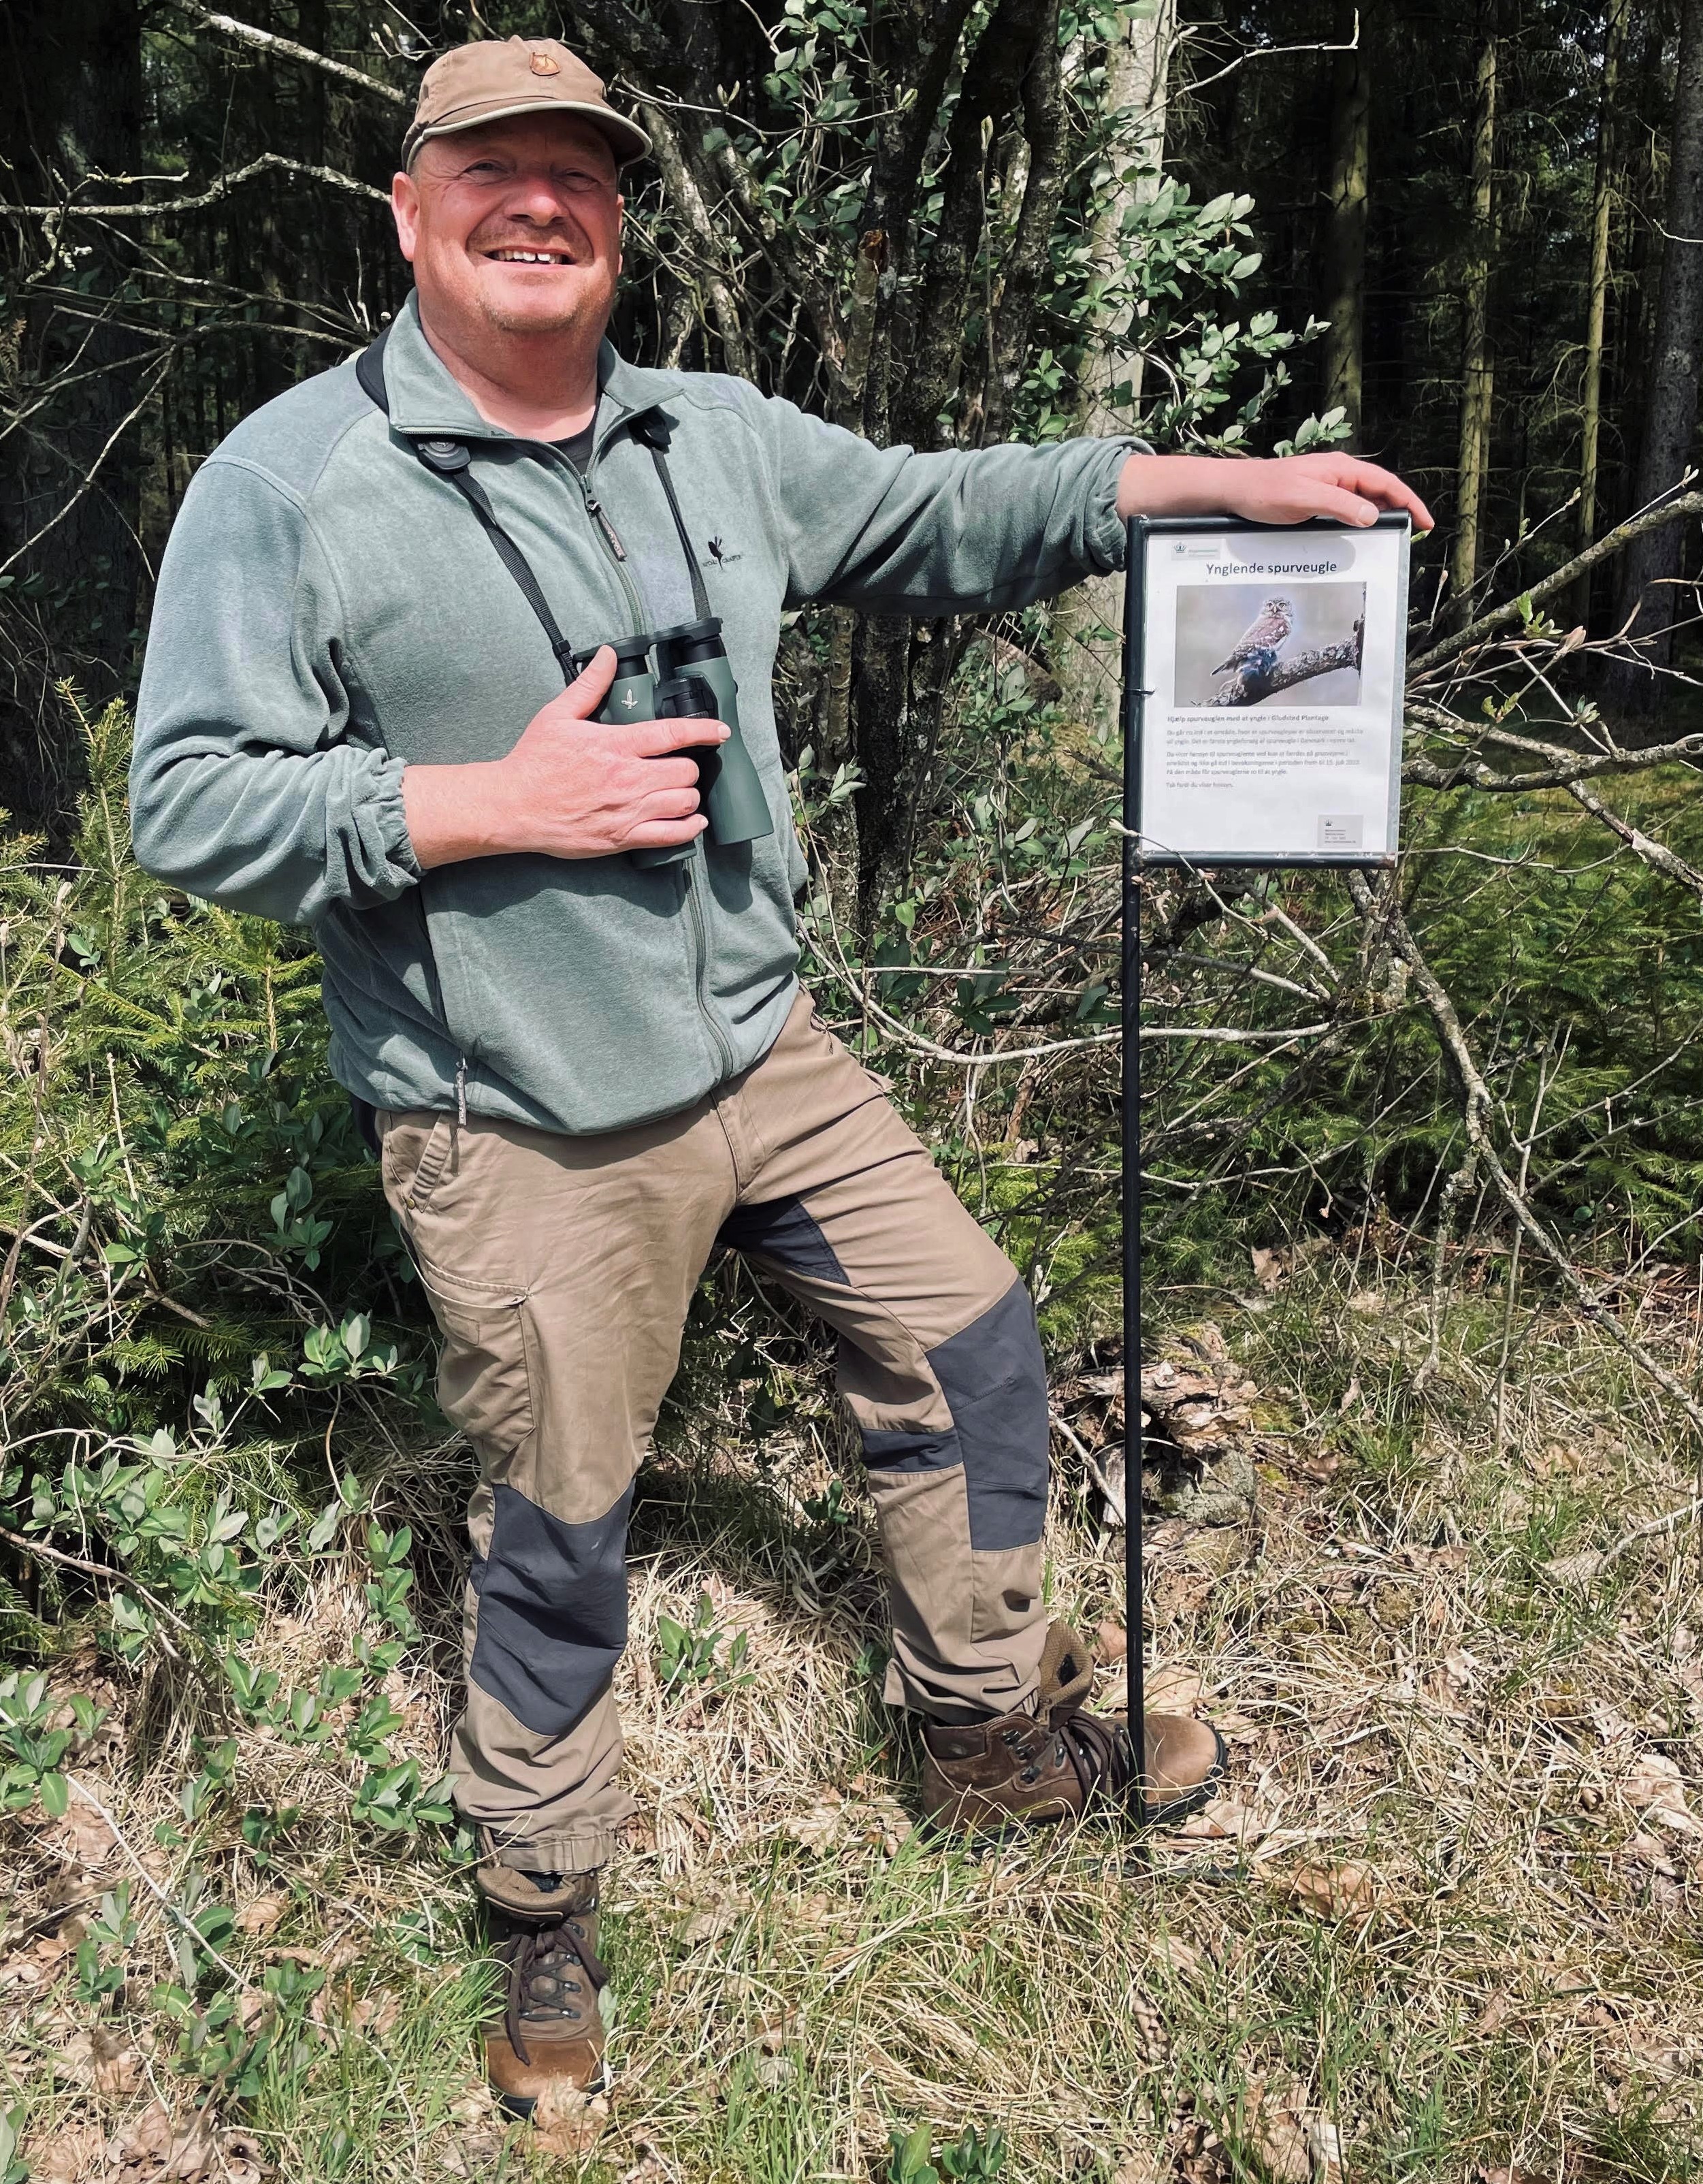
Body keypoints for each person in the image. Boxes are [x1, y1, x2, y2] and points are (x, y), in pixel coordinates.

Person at [130, 34, 1433, 2114]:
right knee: (565, 1522)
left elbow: (940, 510)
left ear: (620, 220)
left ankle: (984, 1735)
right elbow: (188, 806)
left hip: (767, 1050)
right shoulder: (295, 484)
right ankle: (544, 1908)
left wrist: (1205, 488)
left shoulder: (703, 435)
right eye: (493, 171)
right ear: (409, 210)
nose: (538, 203)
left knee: (975, 1339)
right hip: (520, 1110)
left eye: (578, 174)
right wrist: (492, 802)